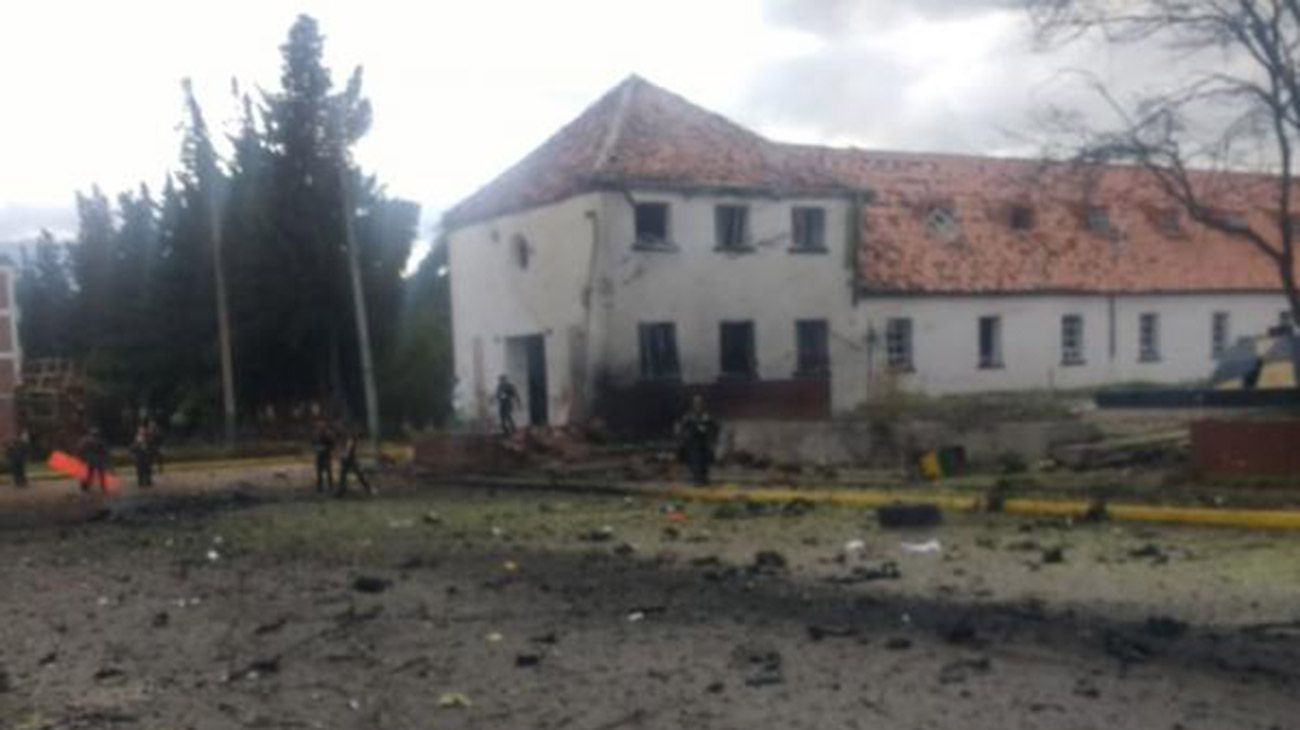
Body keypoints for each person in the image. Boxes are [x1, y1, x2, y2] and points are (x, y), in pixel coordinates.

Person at [676, 395, 720, 486]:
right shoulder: (689, 417)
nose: (698, 405)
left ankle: (704, 480)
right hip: (693, 445)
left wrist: (711, 436)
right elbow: (681, 429)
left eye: (700, 403)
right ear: (693, 405)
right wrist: (685, 437)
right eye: (696, 403)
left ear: (703, 405)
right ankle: (696, 480)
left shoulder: (707, 417)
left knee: (704, 463)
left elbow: (715, 428)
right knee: (695, 462)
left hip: (704, 443)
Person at [336, 428, 374, 497]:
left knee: (354, 474)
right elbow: (346, 449)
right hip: (348, 459)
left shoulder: (351, 440)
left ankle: (341, 491)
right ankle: (341, 490)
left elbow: (348, 450)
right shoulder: (349, 439)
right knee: (346, 475)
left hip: (349, 459)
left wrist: (344, 455)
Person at [77, 427, 110, 493]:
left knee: (89, 474)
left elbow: (80, 449)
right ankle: (102, 487)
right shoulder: (98, 441)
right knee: (99, 474)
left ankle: (85, 487)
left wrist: (81, 458)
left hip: (89, 459)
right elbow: (104, 451)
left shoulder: (85, 440)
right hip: (96, 459)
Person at [310, 419, 336, 493]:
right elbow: (312, 443)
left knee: (328, 472)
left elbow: (332, 444)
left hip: (326, 455)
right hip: (319, 455)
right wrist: (316, 448)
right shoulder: (316, 434)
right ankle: (320, 487)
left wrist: (326, 448)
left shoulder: (328, 434)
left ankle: (330, 486)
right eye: (319, 426)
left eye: (322, 426)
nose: (320, 427)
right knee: (319, 472)